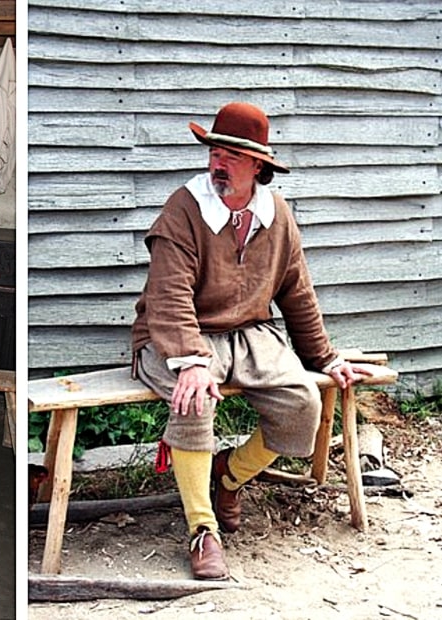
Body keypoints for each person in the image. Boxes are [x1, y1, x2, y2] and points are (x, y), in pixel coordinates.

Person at [130, 102, 368, 580]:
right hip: (177, 336)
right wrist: (190, 361)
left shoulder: (276, 215)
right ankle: (202, 529)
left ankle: (230, 475)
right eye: (215, 151)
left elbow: (296, 290)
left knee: (303, 403)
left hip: (248, 333)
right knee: (193, 399)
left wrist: (324, 356)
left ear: (257, 165)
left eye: (232, 156)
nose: (218, 162)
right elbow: (168, 293)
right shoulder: (184, 208)